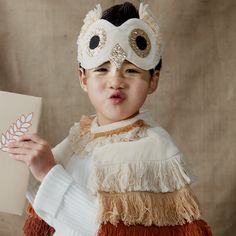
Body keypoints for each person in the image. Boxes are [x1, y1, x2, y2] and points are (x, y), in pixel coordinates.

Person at [6, 2, 213, 236]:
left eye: (132, 70)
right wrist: (21, 166)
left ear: (153, 80)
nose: (116, 81)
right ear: (83, 78)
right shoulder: (80, 140)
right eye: (102, 69)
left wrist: (48, 174)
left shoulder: (155, 151)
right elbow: (54, 212)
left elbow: (105, 230)